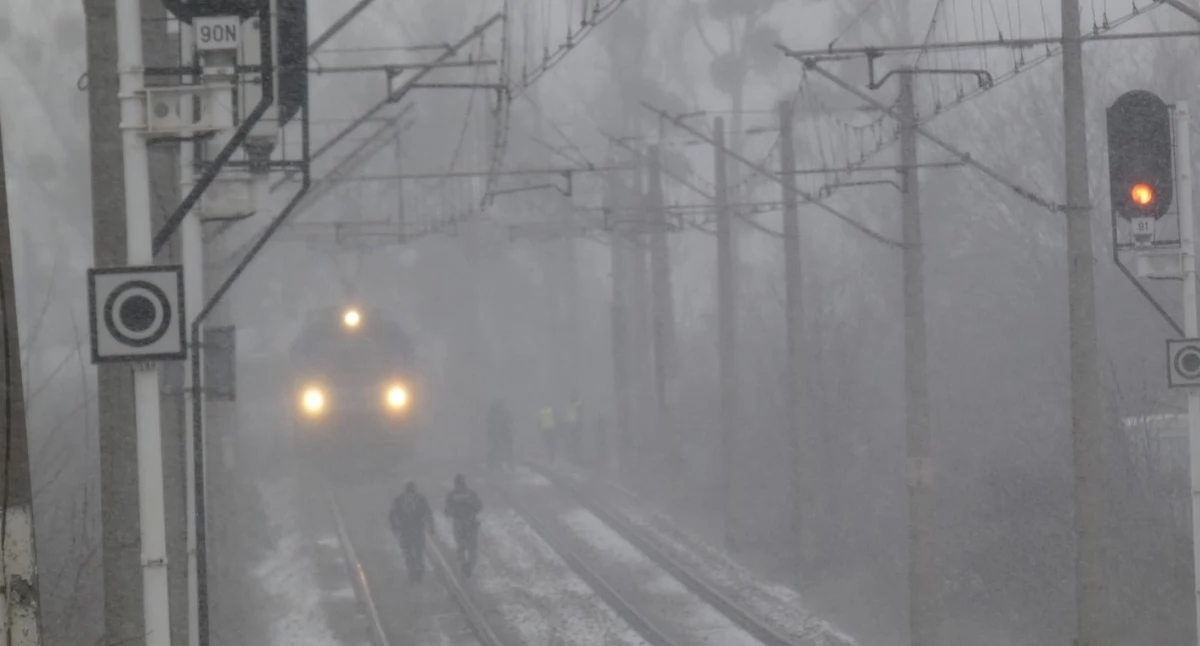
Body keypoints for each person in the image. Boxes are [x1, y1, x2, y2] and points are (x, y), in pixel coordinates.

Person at [389, 481, 432, 583]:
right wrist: (431, 526)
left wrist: (394, 526)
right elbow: (428, 512)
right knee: (419, 552)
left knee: (408, 552)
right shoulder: (421, 499)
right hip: (418, 529)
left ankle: (412, 571)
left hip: (405, 530)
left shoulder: (399, 500)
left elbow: (392, 514)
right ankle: (419, 571)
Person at [444, 474, 483, 577]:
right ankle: (469, 567)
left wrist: (455, 513)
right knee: (472, 549)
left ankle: (464, 566)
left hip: (459, 525)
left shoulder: (451, 495)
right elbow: (479, 506)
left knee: (461, 547)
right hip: (471, 524)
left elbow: (448, 511)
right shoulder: (471, 494)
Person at [486, 400, 514, 471]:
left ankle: (497, 466)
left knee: (497, 449)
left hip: (500, 434)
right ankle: (501, 466)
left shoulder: (494, 413)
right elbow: (507, 423)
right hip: (501, 434)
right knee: (501, 449)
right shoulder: (501, 413)